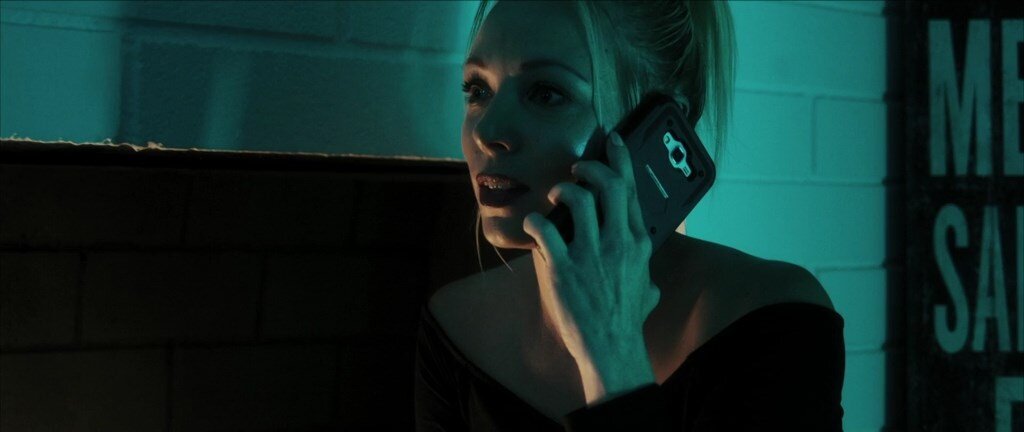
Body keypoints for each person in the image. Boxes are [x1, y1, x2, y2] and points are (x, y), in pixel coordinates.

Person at [415, 1, 845, 430]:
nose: (486, 131)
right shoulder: (454, 327)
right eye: (478, 90)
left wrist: (613, 357)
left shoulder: (776, 318)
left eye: (546, 93)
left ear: (663, 125)